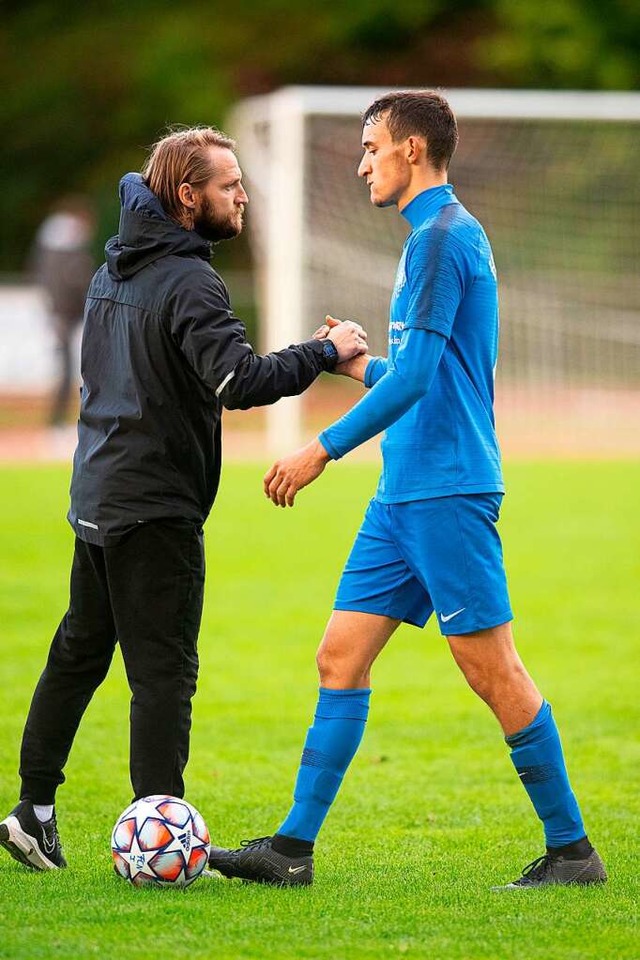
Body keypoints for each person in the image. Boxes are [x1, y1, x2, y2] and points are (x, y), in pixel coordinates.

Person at [207, 92, 607, 890]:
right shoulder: (437, 236)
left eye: (371, 148)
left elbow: (426, 380)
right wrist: (355, 363)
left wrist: (320, 447)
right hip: (405, 493)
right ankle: (291, 851)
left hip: (445, 490)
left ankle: (572, 853)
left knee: (493, 671)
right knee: (339, 658)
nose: (361, 164)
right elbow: (429, 377)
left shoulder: (439, 240)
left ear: (413, 150)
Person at [0, 126, 367, 872]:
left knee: (78, 651)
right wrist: (326, 352)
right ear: (188, 195)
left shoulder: (117, 264)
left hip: (97, 492)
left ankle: (32, 810)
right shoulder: (190, 279)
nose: (243, 194)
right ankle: (157, 832)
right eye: (230, 183)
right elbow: (241, 383)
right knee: (163, 673)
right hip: (154, 505)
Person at [31, 196, 96, 427]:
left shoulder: (58, 250)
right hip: (65, 317)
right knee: (68, 369)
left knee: (73, 369)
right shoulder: (62, 251)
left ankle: (61, 420)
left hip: (70, 315)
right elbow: (64, 285)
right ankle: (56, 421)